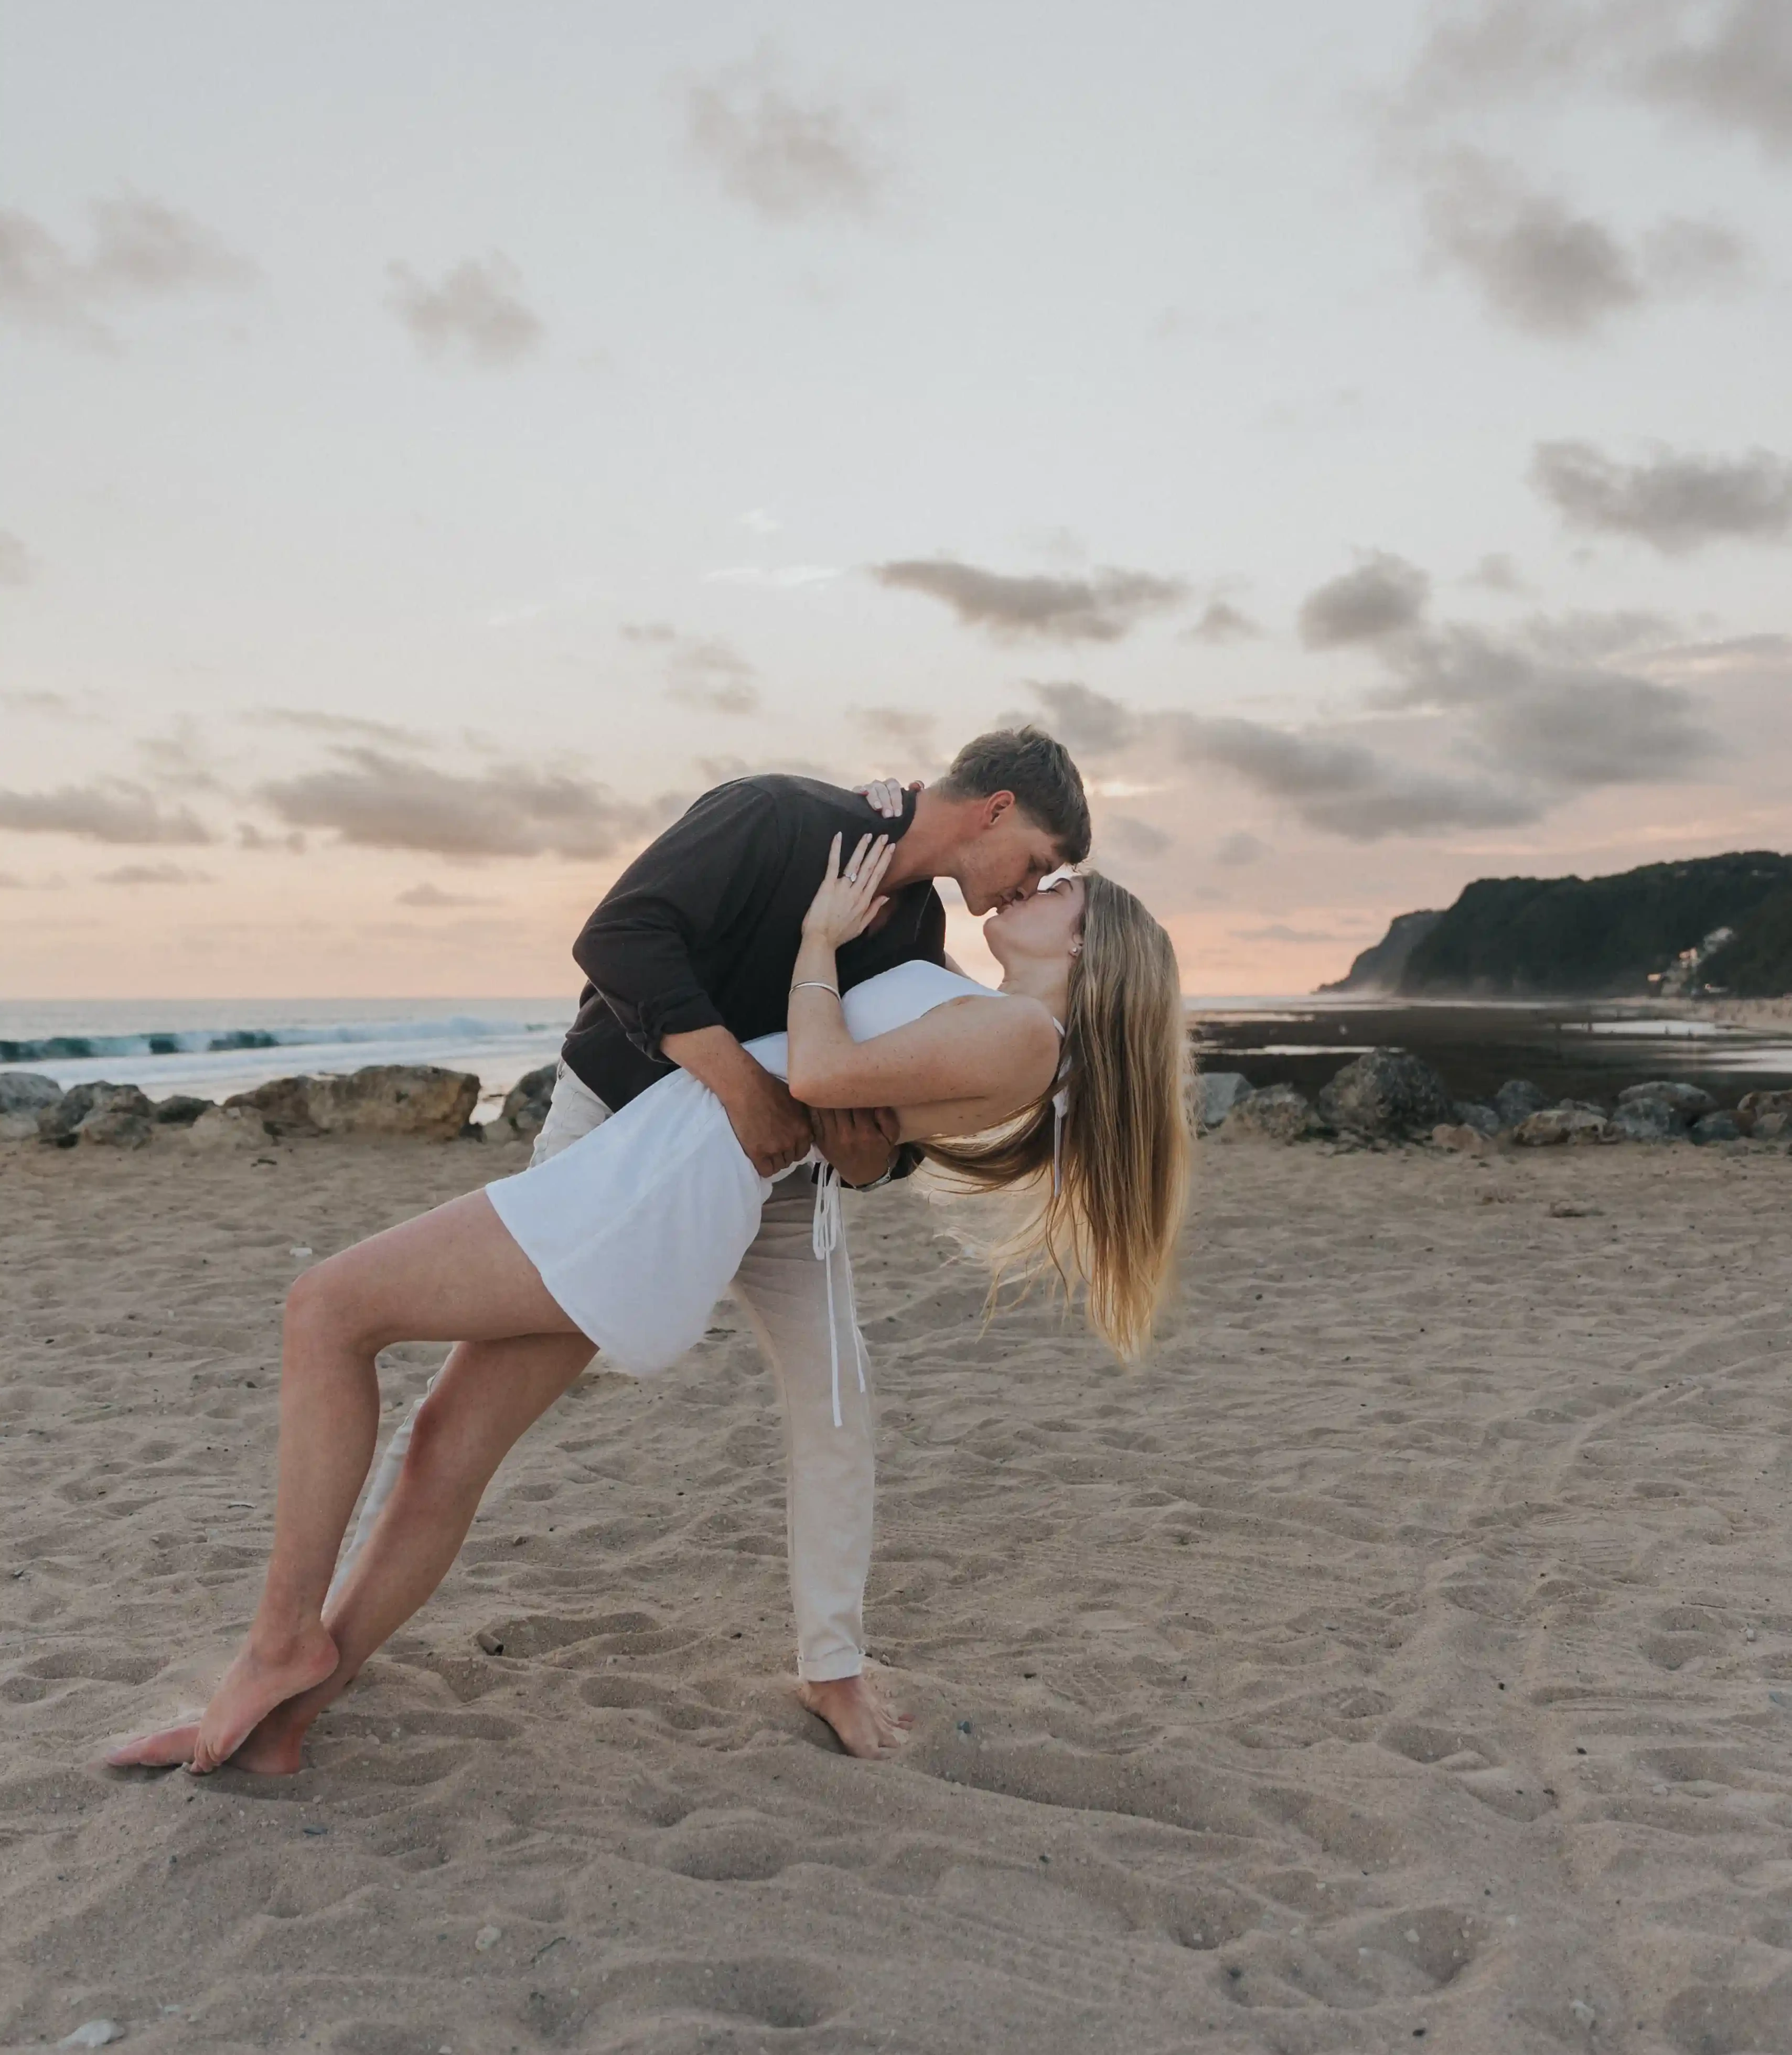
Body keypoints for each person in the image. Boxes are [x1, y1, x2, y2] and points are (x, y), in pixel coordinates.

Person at [110, 825, 1191, 1780]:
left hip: (662, 1185)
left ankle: (279, 1646)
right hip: (669, 1164)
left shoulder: (1022, 1038)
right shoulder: (986, 1011)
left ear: (1088, 947)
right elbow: (854, 1105)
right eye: (1045, 870)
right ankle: (289, 1715)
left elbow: (815, 1075)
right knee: (444, 1433)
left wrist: (818, 938)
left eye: (1061, 891)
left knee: (327, 1308)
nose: (1034, 892)